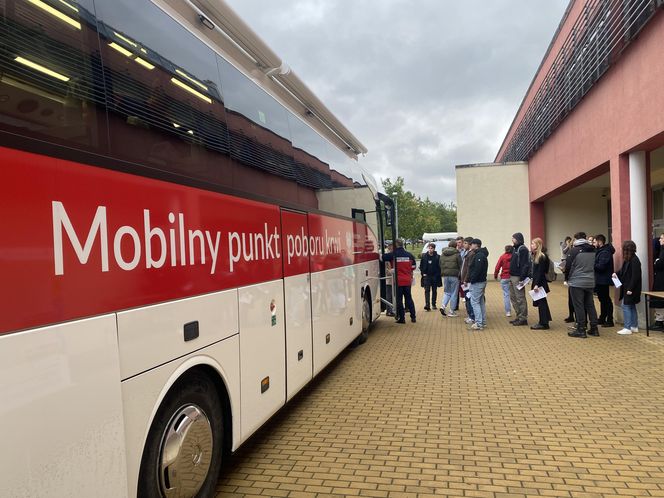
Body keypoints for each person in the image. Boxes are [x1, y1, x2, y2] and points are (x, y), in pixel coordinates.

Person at [566, 232, 599, 338]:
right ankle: (594, 328)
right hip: (590, 281)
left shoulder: (574, 250)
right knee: (590, 305)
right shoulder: (593, 249)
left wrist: (567, 278)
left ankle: (581, 329)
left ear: (576, 239)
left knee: (578, 305)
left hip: (577, 282)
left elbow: (568, 266)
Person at [382, 239, 416, 324]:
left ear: (396, 245)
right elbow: (413, 267)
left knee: (399, 300)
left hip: (398, 281)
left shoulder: (393, 254)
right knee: (409, 298)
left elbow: (382, 257)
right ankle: (413, 317)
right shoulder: (410, 255)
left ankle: (402, 318)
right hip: (407, 281)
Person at [614, 240, 642, 335]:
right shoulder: (629, 259)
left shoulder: (634, 260)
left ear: (626, 250)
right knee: (631, 306)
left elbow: (635, 276)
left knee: (625, 306)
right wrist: (616, 273)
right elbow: (623, 270)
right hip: (628, 287)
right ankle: (634, 326)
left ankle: (627, 327)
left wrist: (630, 289)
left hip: (631, 288)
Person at [529, 238, 552, 330]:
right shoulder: (536, 255)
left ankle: (543, 323)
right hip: (539, 281)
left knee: (541, 303)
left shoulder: (541, 256)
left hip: (540, 282)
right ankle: (545, 321)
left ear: (538, 245)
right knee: (542, 302)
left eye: (533, 244)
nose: (531, 245)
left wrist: (536, 284)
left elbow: (541, 272)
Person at [593, 234, 615, 327]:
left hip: (603, 280)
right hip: (600, 279)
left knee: (606, 300)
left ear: (600, 242)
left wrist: (592, 264)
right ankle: (602, 317)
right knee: (602, 299)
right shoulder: (600, 251)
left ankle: (610, 320)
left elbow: (601, 267)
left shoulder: (605, 252)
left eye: (594, 242)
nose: (593, 244)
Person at [509, 232, 530, 326]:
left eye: (513, 238)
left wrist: (522, 278)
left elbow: (525, 265)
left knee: (520, 297)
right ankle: (518, 316)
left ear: (518, 239)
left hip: (518, 277)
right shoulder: (515, 248)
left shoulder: (523, 249)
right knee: (513, 297)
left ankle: (523, 318)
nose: (512, 240)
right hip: (512, 276)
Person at [467, 239, 489, 330]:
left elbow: (477, 270)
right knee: (480, 302)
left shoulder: (479, 255)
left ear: (476, 245)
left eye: (471, 244)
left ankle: (479, 323)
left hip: (478, 282)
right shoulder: (480, 254)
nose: (470, 246)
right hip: (480, 281)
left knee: (475, 302)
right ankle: (482, 322)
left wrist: (472, 279)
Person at [439, 240, 462, 317]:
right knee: (454, 293)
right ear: (456, 246)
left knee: (447, 292)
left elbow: (440, 264)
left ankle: (443, 306)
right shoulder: (457, 254)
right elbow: (461, 265)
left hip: (445, 275)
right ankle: (451, 311)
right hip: (455, 276)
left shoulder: (443, 254)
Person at [419, 242, 441, 311]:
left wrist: (438, 274)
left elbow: (439, 267)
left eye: (431, 248)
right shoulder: (424, 256)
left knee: (434, 290)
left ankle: (433, 304)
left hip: (434, 276)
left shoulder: (437, 257)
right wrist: (423, 273)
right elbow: (421, 266)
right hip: (427, 276)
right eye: (429, 248)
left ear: (434, 249)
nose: (430, 249)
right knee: (427, 290)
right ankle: (427, 304)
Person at [459, 236, 477, 323]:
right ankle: (470, 315)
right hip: (464, 279)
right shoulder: (466, 253)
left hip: (467, 281)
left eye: (465, 243)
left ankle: (472, 316)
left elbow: (469, 268)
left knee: (469, 298)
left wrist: (466, 279)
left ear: (470, 244)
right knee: (467, 298)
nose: (463, 244)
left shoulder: (471, 254)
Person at [494, 245, 513, 317]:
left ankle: (508, 312)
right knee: (515, 295)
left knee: (506, 295)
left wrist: (496, 275)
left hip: (504, 277)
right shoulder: (514, 257)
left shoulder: (502, 257)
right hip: (513, 277)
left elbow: (497, 267)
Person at [650, 233, 664, 330]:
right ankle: (659, 321)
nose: (659, 240)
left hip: (661, 281)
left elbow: (659, 263)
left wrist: (656, 262)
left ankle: (660, 322)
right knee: (658, 300)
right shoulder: (660, 250)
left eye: (662, 238)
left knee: (660, 301)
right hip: (659, 279)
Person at [560, 236, 575, 323]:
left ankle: (580, 320)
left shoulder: (575, 251)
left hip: (575, 279)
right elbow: (564, 251)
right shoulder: (567, 248)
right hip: (571, 278)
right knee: (571, 299)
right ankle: (571, 315)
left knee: (577, 300)